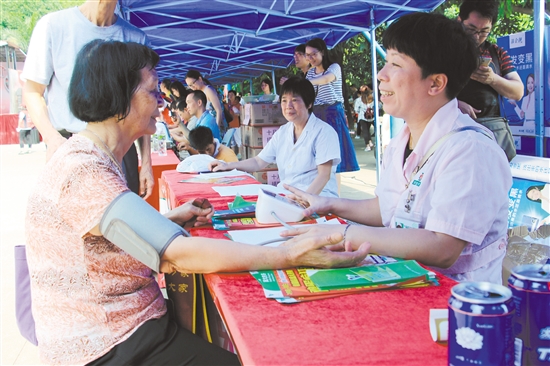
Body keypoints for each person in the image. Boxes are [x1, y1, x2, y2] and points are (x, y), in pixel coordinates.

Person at [25, 39, 369, 366]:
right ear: (119, 99)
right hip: (112, 343)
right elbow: (180, 253)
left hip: (125, 327)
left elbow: (110, 236)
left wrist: (171, 218)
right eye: (151, 92)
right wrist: (289, 255)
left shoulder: (89, 157)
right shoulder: (84, 170)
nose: (162, 103)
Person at [281, 12, 512, 284]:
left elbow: (443, 246)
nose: (381, 74)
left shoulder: (470, 150)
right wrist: (328, 204)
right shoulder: (403, 139)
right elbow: (387, 208)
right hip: (407, 283)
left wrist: (344, 234)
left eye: (395, 64)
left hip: (455, 307)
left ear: (436, 83)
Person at [21, 0, 154, 198]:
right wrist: (52, 139)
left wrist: (147, 164)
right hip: (70, 145)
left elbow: (143, 107)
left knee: (123, 220)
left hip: (121, 150)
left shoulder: (135, 38)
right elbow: (32, 91)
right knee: (79, 221)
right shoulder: (53, 26)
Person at [211, 77, 341, 198]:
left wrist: (303, 202)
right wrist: (228, 165)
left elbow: (324, 176)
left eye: (294, 100)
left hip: (318, 198)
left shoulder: (323, 132)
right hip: (287, 196)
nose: (288, 106)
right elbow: (258, 162)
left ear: (309, 103)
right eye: (284, 100)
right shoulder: (283, 132)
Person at [456, 0, 523, 161]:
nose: (477, 36)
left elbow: (518, 92)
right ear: (460, 21)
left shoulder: (497, 53)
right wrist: (453, 104)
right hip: (454, 133)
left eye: (484, 31)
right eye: (471, 29)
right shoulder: (442, 51)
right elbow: (423, 88)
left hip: (492, 133)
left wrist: (492, 79)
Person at [305, 38, 359, 176]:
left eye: (313, 54)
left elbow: (326, 79)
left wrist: (305, 83)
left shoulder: (334, 67)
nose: (311, 58)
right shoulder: (310, 72)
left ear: (322, 52)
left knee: (335, 157)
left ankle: (336, 193)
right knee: (319, 153)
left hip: (333, 112)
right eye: (308, 55)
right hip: (316, 113)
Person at [185, 70, 227, 134]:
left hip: (217, 126)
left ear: (200, 79)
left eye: (193, 83)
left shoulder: (208, 90)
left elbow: (219, 110)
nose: (192, 87)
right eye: (189, 86)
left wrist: (216, 129)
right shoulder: (200, 92)